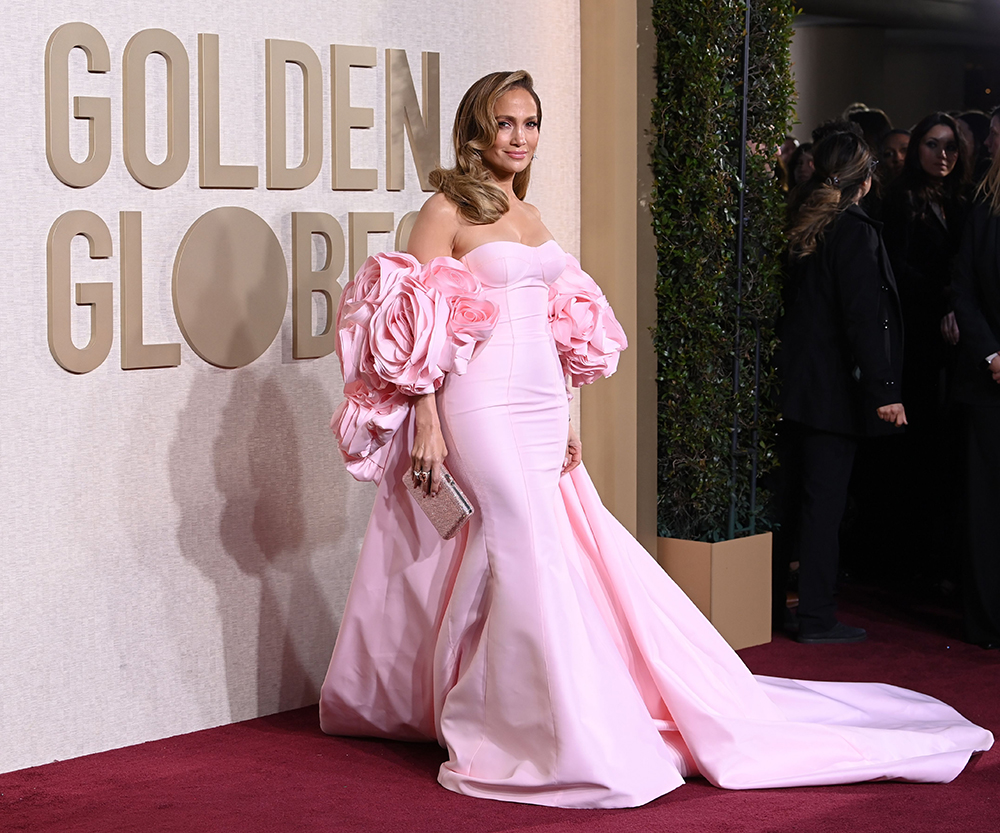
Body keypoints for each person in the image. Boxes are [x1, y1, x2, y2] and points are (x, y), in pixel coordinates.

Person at [319, 72, 992, 809]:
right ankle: (525, 724)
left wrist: (569, 417)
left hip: (542, 406)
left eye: (531, 122)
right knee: (520, 541)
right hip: (475, 404)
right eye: (504, 123)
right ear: (474, 130)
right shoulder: (445, 208)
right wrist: (425, 416)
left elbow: (553, 325)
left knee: (534, 549)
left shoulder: (531, 211)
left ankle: (539, 703)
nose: (520, 137)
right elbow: (417, 320)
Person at [778, 131, 907, 644]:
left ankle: (781, 609)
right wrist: (885, 390)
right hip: (832, 393)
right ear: (867, 180)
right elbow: (864, 319)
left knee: (791, 503)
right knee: (823, 506)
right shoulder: (853, 231)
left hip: (794, 387)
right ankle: (816, 616)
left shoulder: (801, 223)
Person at [877, 112, 971, 591]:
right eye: (933, 145)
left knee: (944, 453)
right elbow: (896, 272)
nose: (943, 155)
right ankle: (901, 562)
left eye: (951, 145)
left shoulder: (963, 199)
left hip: (954, 342)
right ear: (917, 149)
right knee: (912, 452)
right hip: (914, 340)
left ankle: (934, 559)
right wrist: (944, 301)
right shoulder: (900, 200)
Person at [950, 147, 1000, 648]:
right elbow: (962, 288)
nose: (991, 145)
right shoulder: (982, 205)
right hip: (990, 386)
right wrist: (991, 354)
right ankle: (988, 621)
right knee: (986, 509)